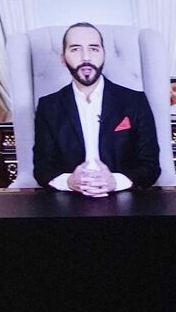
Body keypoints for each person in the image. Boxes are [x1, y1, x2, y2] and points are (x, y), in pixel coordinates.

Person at [31, 23, 161, 196]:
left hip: (124, 197)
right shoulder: (48, 106)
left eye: (93, 49)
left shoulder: (135, 101)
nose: (86, 58)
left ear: (103, 54)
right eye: (76, 49)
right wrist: (69, 181)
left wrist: (115, 181)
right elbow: (42, 168)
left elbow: (150, 166)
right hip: (68, 200)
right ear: (63, 58)